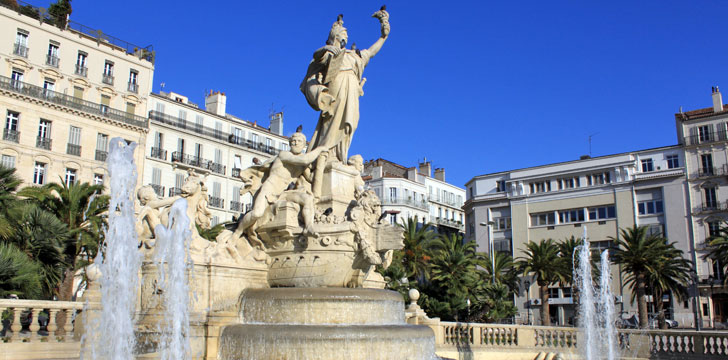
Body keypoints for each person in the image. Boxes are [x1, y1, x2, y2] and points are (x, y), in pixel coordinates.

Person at [301, 10, 390, 163]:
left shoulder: (354, 55)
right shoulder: (329, 54)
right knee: (332, 121)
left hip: (353, 89)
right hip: (337, 86)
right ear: (335, 37)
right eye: (343, 35)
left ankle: (340, 155)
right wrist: (325, 49)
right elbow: (315, 60)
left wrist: (383, 36)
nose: (346, 38)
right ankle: (327, 155)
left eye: (347, 36)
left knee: (350, 123)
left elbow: (371, 52)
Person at [232, 132, 328, 245]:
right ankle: (237, 232)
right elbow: (306, 160)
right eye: (293, 141)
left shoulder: (302, 164)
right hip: (270, 188)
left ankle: (308, 226)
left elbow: (311, 178)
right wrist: (320, 149)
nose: (296, 143)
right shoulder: (284, 154)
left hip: (284, 193)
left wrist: (322, 163)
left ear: (303, 146)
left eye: (299, 141)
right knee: (257, 213)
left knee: (307, 199)